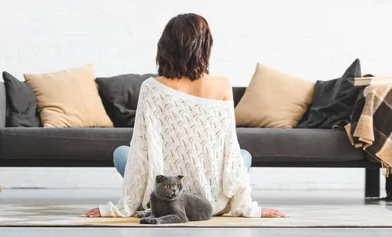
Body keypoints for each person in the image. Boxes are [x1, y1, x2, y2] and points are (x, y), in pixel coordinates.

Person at [82, 13, 287, 219]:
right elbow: (230, 152)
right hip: (210, 202)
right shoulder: (223, 85)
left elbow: (141, 154)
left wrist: (121, 207)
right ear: (205, 46)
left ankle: (175, 201)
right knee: (244, 156)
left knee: (122, 153)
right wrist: (249, 207)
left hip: (167, 199)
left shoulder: (151, 88)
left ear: (166, 47)